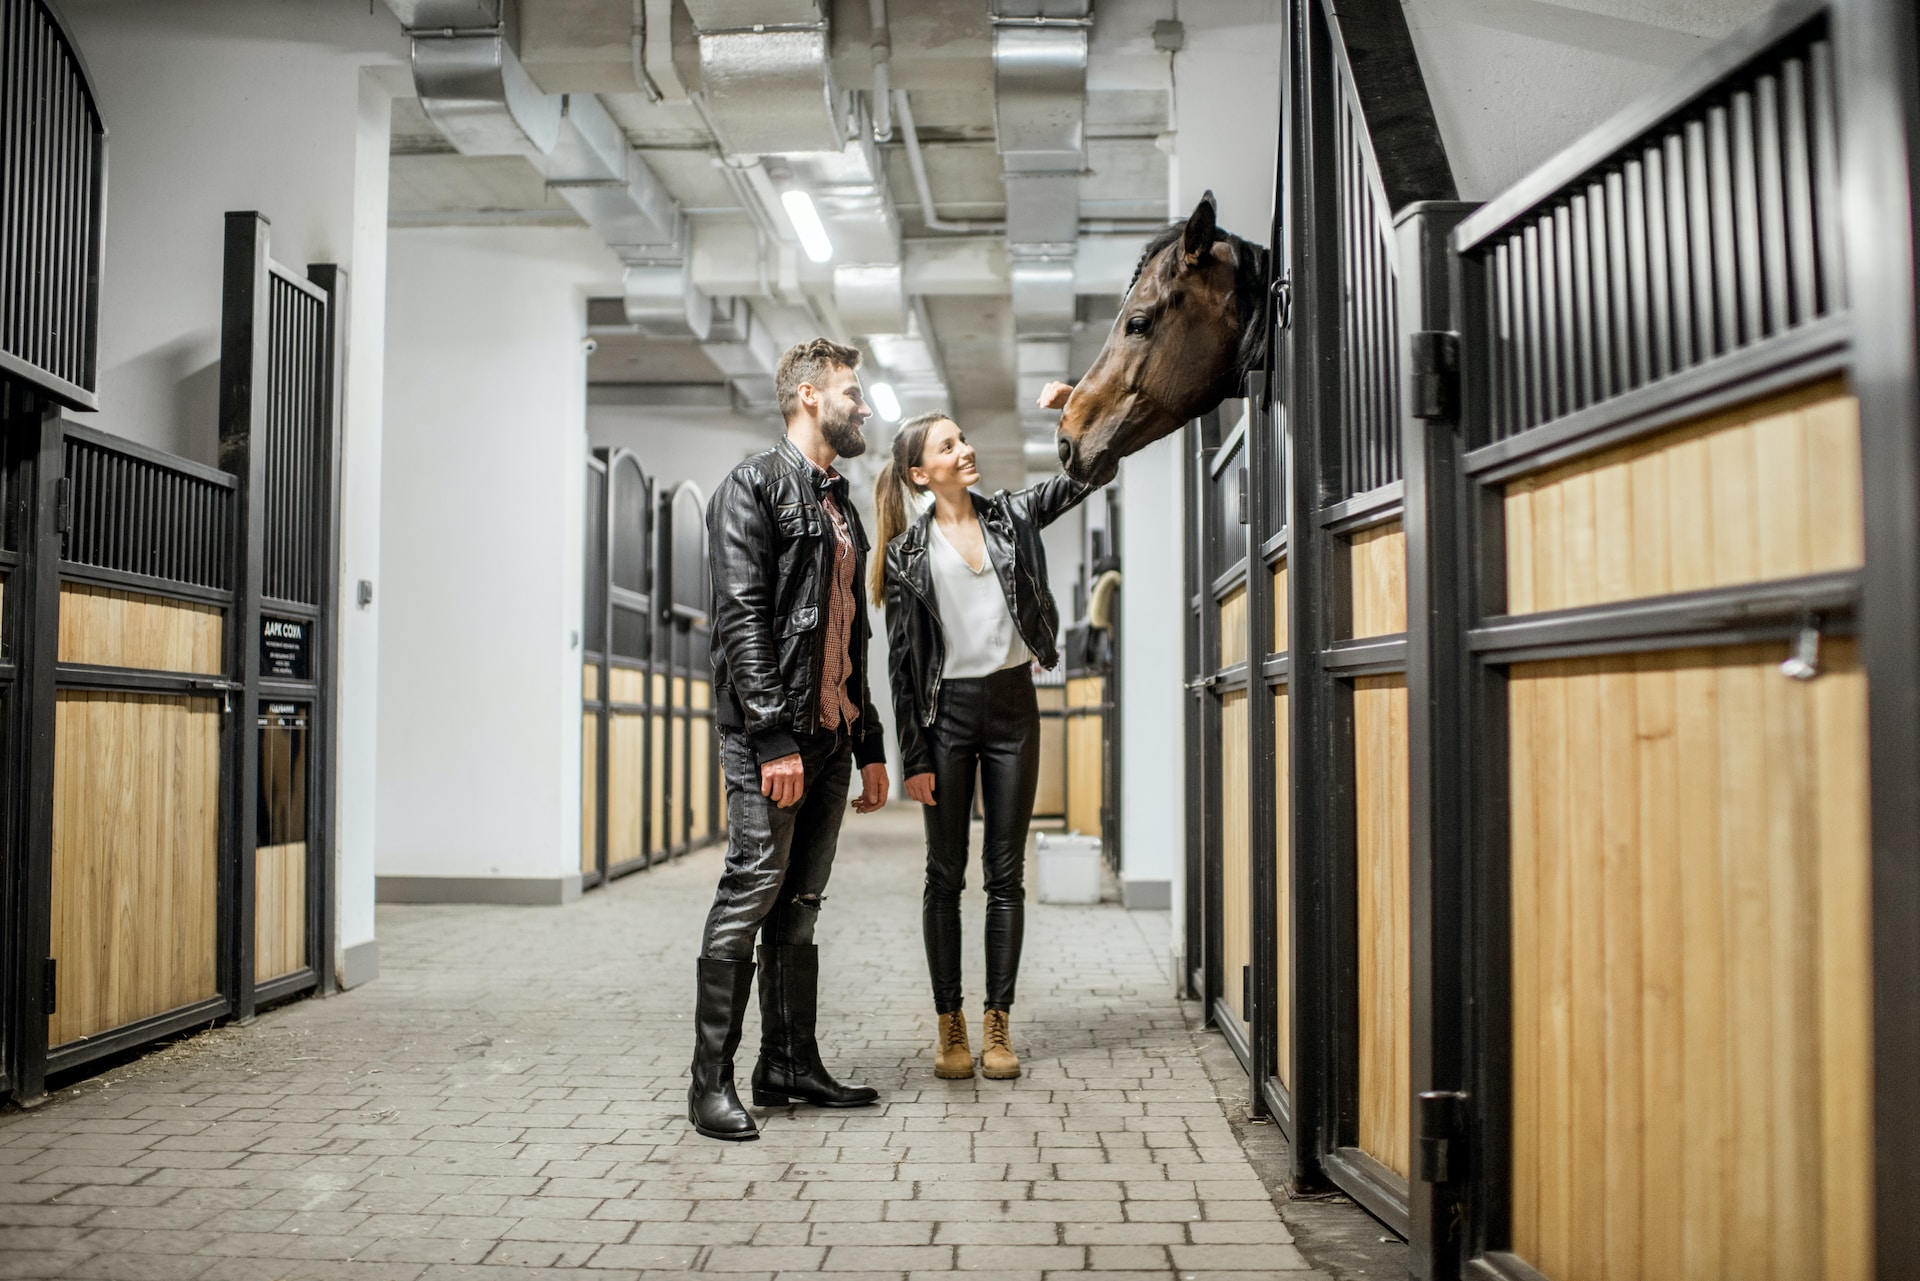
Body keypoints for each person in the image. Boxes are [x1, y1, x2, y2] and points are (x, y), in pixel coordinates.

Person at [690, 338, 892, 1142]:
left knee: (800, 905)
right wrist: (772, 736)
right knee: (751, 892)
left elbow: (854, 634)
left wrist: (870, 740)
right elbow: (742, 620)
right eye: (851, 391)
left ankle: (787, 1063)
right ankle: (711, 1084)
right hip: (771, 738)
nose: (864, 405)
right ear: (808, 396)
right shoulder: (753, 487)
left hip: (833, 736)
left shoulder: (841, 504)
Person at [873, 393, 1094, 1082]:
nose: (963, 448)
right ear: (919, 474)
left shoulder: (1014, 515)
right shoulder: (908, 554)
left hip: (1012, 707)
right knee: (945, 875)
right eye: (946, 446)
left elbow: (1087, 472)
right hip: (946, 718)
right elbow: (903, 666)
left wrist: (1080, 404)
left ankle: (998, 1020)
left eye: (962, 438)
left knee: (1005, 875)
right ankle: (950, 1023)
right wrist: (913, 755)